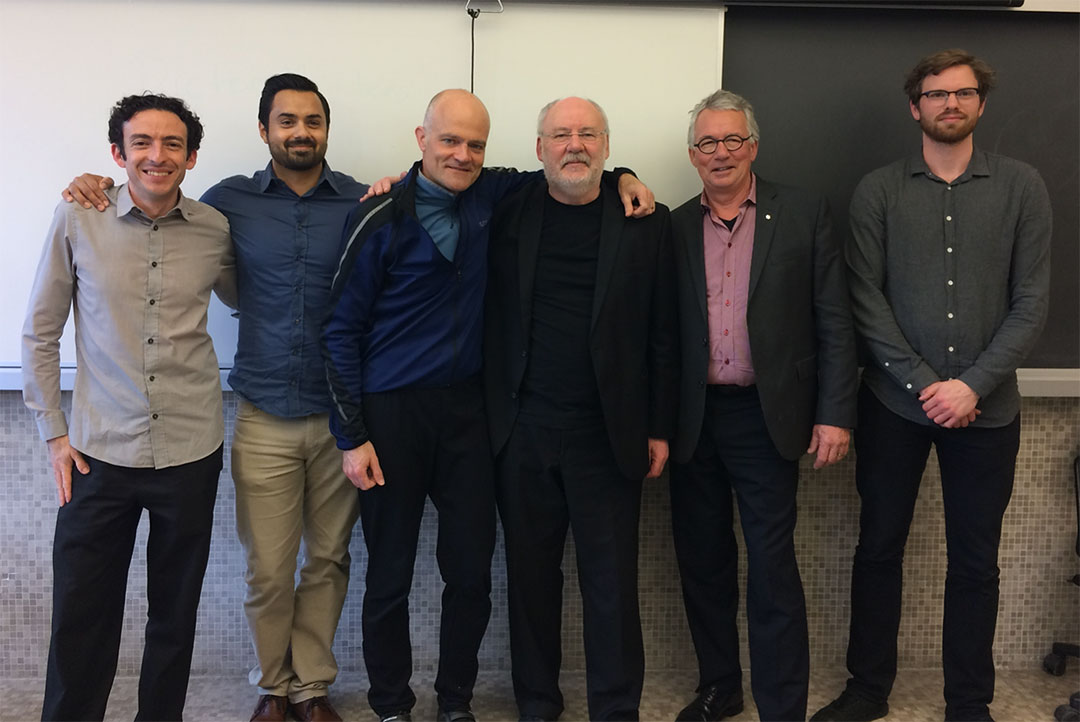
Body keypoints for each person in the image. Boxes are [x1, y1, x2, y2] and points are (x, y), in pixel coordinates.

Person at [323, 89, 653, 722]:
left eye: (475, 144)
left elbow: (569, 167)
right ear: (421, 140)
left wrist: (625, 175)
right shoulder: (378, 216)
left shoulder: (492, 197)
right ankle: (392, 704)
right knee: (388, 575)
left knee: (470, 575)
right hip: (390, 417)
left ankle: (455, 703)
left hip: (470, 418)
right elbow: (338, 330)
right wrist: (351, 434)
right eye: (449, 140)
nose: (463, 154)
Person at [64, 73, 369, 722]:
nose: (300, 131)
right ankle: (272, 687)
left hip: (345, 415)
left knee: (330, 559)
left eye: (312, 121)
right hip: (260, 411)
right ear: (265, 129)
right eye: (287, 120)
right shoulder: (224, 203)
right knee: (267, 567)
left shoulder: (363, 202)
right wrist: (93, 181)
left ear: (325, 130)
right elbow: (151, 211)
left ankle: (311, 686)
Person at [811, 49, 1051, 722]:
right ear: (914, 106)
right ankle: (867, 690)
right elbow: (865, 300)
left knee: (976, 562)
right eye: (936, 94)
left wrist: (971, 385)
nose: (951, 104)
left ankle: (968, 703)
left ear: (981, 103)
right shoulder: (878, 191)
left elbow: (1031, 302)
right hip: (893, 405)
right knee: (878, 548)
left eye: (964, 93)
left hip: (989, 409)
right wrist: (926, 385)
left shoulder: (1022, 187)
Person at [24, 93, 234, 721]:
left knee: (175, 616)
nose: (156, 155)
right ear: (118, 153)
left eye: (172, 144)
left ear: (191, 157)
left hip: (192, 447)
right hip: (97, 451)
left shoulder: (215, 229)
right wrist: (54, 433)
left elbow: (252, 297)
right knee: (82, 616)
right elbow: (40, 331)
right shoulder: (77, 216)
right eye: (141, 142)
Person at [483, 96, 678, 722]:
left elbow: (665, 335)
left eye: (589, 134)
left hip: (608, 434)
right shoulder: (508, 206)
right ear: (539, 148)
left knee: (612, 586)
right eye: (561, 134)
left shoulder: (648, 222)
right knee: (532, 584)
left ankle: (615, 710)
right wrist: (394, 178)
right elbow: (442, 164)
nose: (575, 145)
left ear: (607, 146)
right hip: (523, 430)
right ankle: (538, 705)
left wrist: (660, 428)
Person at [669, 89, 858, 722]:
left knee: (772, 567)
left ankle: (782, 706)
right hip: (693, 418)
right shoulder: (670, 226)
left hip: (767, 416)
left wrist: (835, 413)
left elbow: (834, 318)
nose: (719, 153)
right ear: (691, 154)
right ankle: (721, 686)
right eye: (706, 143)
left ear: (753, 145)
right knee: (703, 562)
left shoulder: (802, 213)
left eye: (731, 140)